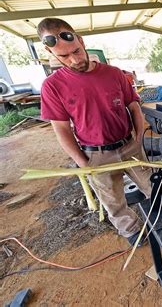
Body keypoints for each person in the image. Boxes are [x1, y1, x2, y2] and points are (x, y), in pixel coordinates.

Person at [38, 18, 151, 246]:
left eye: (76, 51)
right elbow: (61, 130)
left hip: (130, 145)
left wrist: (138, 136)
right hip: (96, 155)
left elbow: (134, 106)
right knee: (113, 199)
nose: (74, 59)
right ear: (49, 51)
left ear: (81, 40)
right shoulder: (52, 86)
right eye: (64, 56)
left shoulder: (114, 73)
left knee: (152, 184)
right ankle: (131, 231)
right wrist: (83, 162)